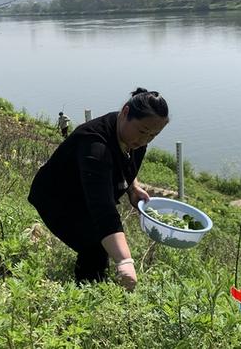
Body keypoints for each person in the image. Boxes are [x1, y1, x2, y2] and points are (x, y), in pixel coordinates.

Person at [28, 88, 169, 291]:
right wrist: (125, 261)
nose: (145, 139)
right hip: (56, 197)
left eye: (153, 135)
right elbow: (103, 211)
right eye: (143, 131)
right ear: (125, 112)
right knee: (94, 247)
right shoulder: (95, 145)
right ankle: (86, 297)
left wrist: (132, 187)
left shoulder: (133, 135)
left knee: (102, 243)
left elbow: (125, 159)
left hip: (85, 193)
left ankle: (93, 287)